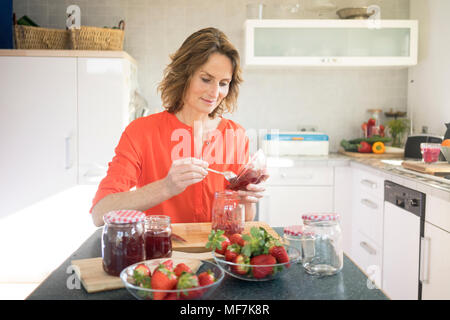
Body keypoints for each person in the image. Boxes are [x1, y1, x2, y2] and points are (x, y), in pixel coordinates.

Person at [90, 27, 266, 227]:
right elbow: (100, 212)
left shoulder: (235, 135)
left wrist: (246, 201)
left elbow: (244, 219)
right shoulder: (141, 132)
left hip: (217, 255)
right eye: (206, 79)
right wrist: (166, 187)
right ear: (184, 75)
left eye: (224, 83)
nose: (215, 92)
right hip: (160, 254)